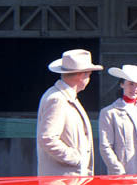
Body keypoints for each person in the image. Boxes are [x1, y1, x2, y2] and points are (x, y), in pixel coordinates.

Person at [36, 49, 103, 177]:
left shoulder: (65, 97)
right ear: (82, 75)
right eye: (88, 75)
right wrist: (76, 159)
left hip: (68, 179)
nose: (88, 79)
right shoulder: (58, 99)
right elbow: (47, 138)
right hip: (63, 180)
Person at [98, 64, 137, 175]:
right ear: (122, 84)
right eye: (130, 84)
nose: (135, 89)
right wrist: (118, 171)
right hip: (124, 171)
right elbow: (105, 147)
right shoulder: (109, 112)